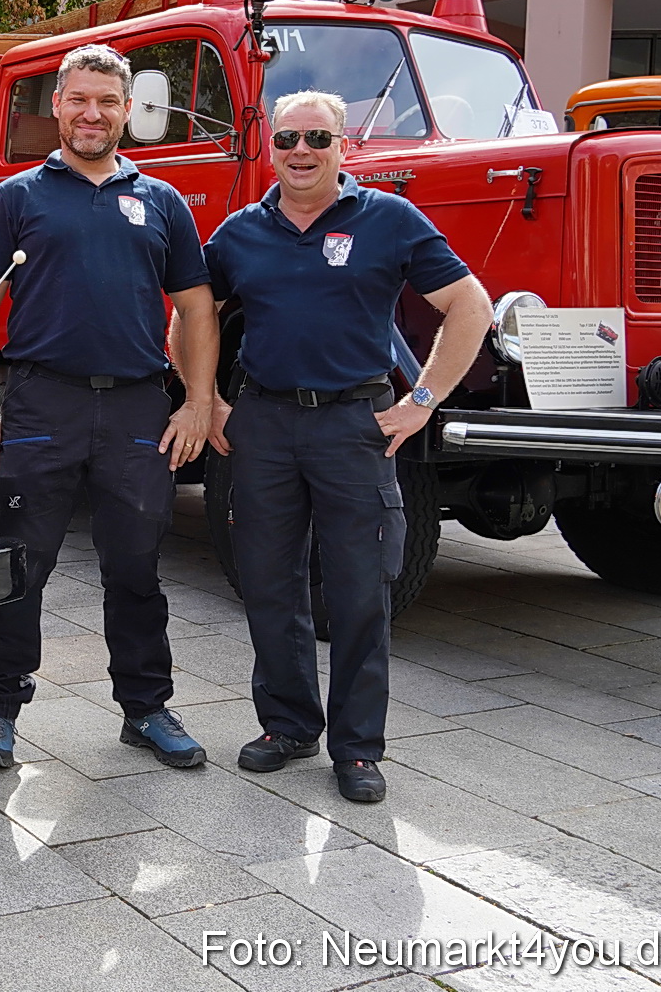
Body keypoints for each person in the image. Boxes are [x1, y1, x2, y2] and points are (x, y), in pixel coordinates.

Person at [200, 90, 492, 803]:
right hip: (264, 423)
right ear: (271, 145)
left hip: (352, 424)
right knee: (268, 583)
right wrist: (203, 396)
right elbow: (194, 307)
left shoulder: (389, 220)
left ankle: (356, 749)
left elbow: (471, 306)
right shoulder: (241, 232)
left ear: (343, 145)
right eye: (289, 137)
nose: (302, 151)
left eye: (318, 139)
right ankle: (288, 724)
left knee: (361, 591)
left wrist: (422, 400)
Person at [0, 44, 221, 770]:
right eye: (79, 100)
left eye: (107, 102)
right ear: (58, 106)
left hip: (138, 409)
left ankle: (146, 708)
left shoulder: (162, 202)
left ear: (129, 112)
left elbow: (197, 309)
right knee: (19, 561)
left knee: (135, 567)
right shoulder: (15, 197)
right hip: (43, 403)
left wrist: (198, 401)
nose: (92, 114)